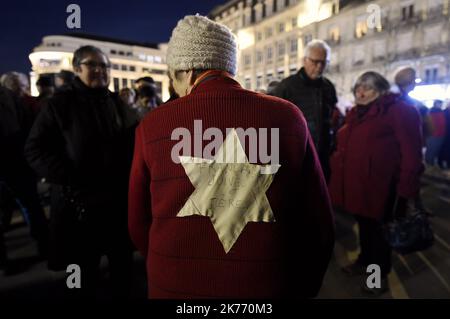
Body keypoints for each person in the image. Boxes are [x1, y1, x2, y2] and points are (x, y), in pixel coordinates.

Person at [128, 14, 334, 299]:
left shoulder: (152, 126)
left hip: (175, 288)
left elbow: (138, 221)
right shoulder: (287, 117)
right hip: (265, 287)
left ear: (186, 72)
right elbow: (318, 222)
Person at [25, 45, 138, 298]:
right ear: (77, 69)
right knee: (83, 276)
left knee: (123, 272)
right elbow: (34, 150)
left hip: (118, 206)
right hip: (79, 209)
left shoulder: (117, 103)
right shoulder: (59, 105)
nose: (101, 70)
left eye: (105, 66)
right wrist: (70, 177)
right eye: (93, 65)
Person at [328, 72, 424, 295]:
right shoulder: (356, 113)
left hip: (383, 189)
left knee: (380, 237)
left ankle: (375, 279)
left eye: (367, 88)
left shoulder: (400, 111)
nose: (361, 92)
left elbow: (412, 154)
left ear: (381, 90)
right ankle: (364, 261)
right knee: (365, 229)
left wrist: (406, 191)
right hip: (359, 187)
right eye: (358, 88)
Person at [272, 40, 338, 181]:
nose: (319, 67)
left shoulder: (328, 87)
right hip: (296, 156)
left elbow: (332, 118)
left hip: (322, 156)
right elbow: (273, 121)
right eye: (315, 62)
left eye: (324, 62)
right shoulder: (287, 87)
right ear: (305, 60)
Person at [0, 83, 49, 268]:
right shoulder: (9, 95)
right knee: (31, 206)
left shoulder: (8, 96)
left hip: (14, 161)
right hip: (16, 160)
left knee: (31, 206)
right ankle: (44, 246)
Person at [395, 67, 429, 143]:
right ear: (409, 82)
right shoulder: (404, 102)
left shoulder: (401, 99)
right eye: (414, 79)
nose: (415, 83)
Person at [425, 100, 446, 166]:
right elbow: (428, 123)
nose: (440, 105)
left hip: (441, 134)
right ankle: (429, 164)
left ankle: (431, 163)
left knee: (436, 150)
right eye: (439, 104)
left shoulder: (442, 112)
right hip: (433, 134)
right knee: (431, 150)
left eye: (441, 104)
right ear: (435, 104)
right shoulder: (430, 112)